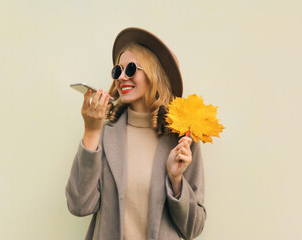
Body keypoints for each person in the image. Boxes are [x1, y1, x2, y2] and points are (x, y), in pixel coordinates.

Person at [66, 27, 206, 240]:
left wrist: (176, 180)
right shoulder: (104, 135)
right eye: (117, 71)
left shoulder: (183, 140)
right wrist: (92, 130)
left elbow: (193, 228)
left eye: (131, 69)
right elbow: (79, 205)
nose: (121, 77)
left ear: (154, 73)